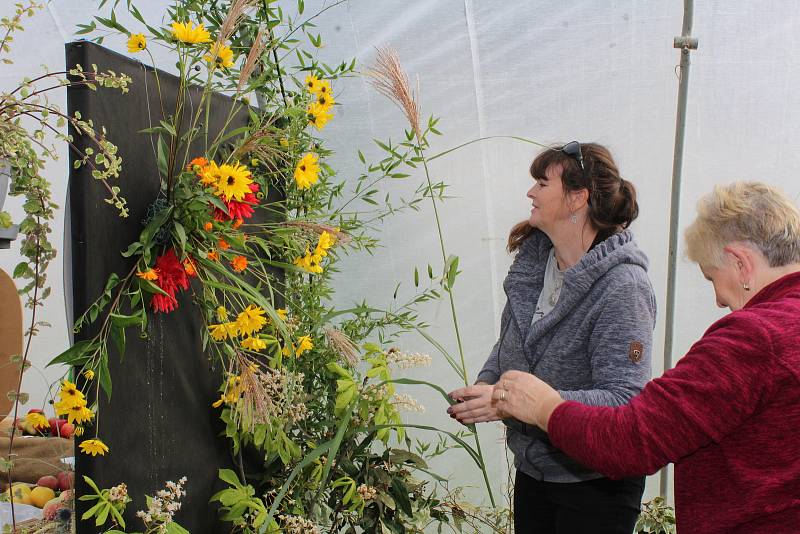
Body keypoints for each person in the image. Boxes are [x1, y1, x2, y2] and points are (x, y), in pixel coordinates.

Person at [486, 181, 800, 533]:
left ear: (741, 263)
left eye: (712, 278)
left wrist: (544, 406)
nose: (718, 301)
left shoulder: (755, 339)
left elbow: (633, 440)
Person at [448, 142, 656, 533]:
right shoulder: (535, 262)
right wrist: (486, 386)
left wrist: (513, 402)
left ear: (577, 198)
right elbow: (513, 341)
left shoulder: (623, 287)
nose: (531, 192)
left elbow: (623, 399)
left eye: (543, 183)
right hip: (535, 472)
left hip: (595, 485)